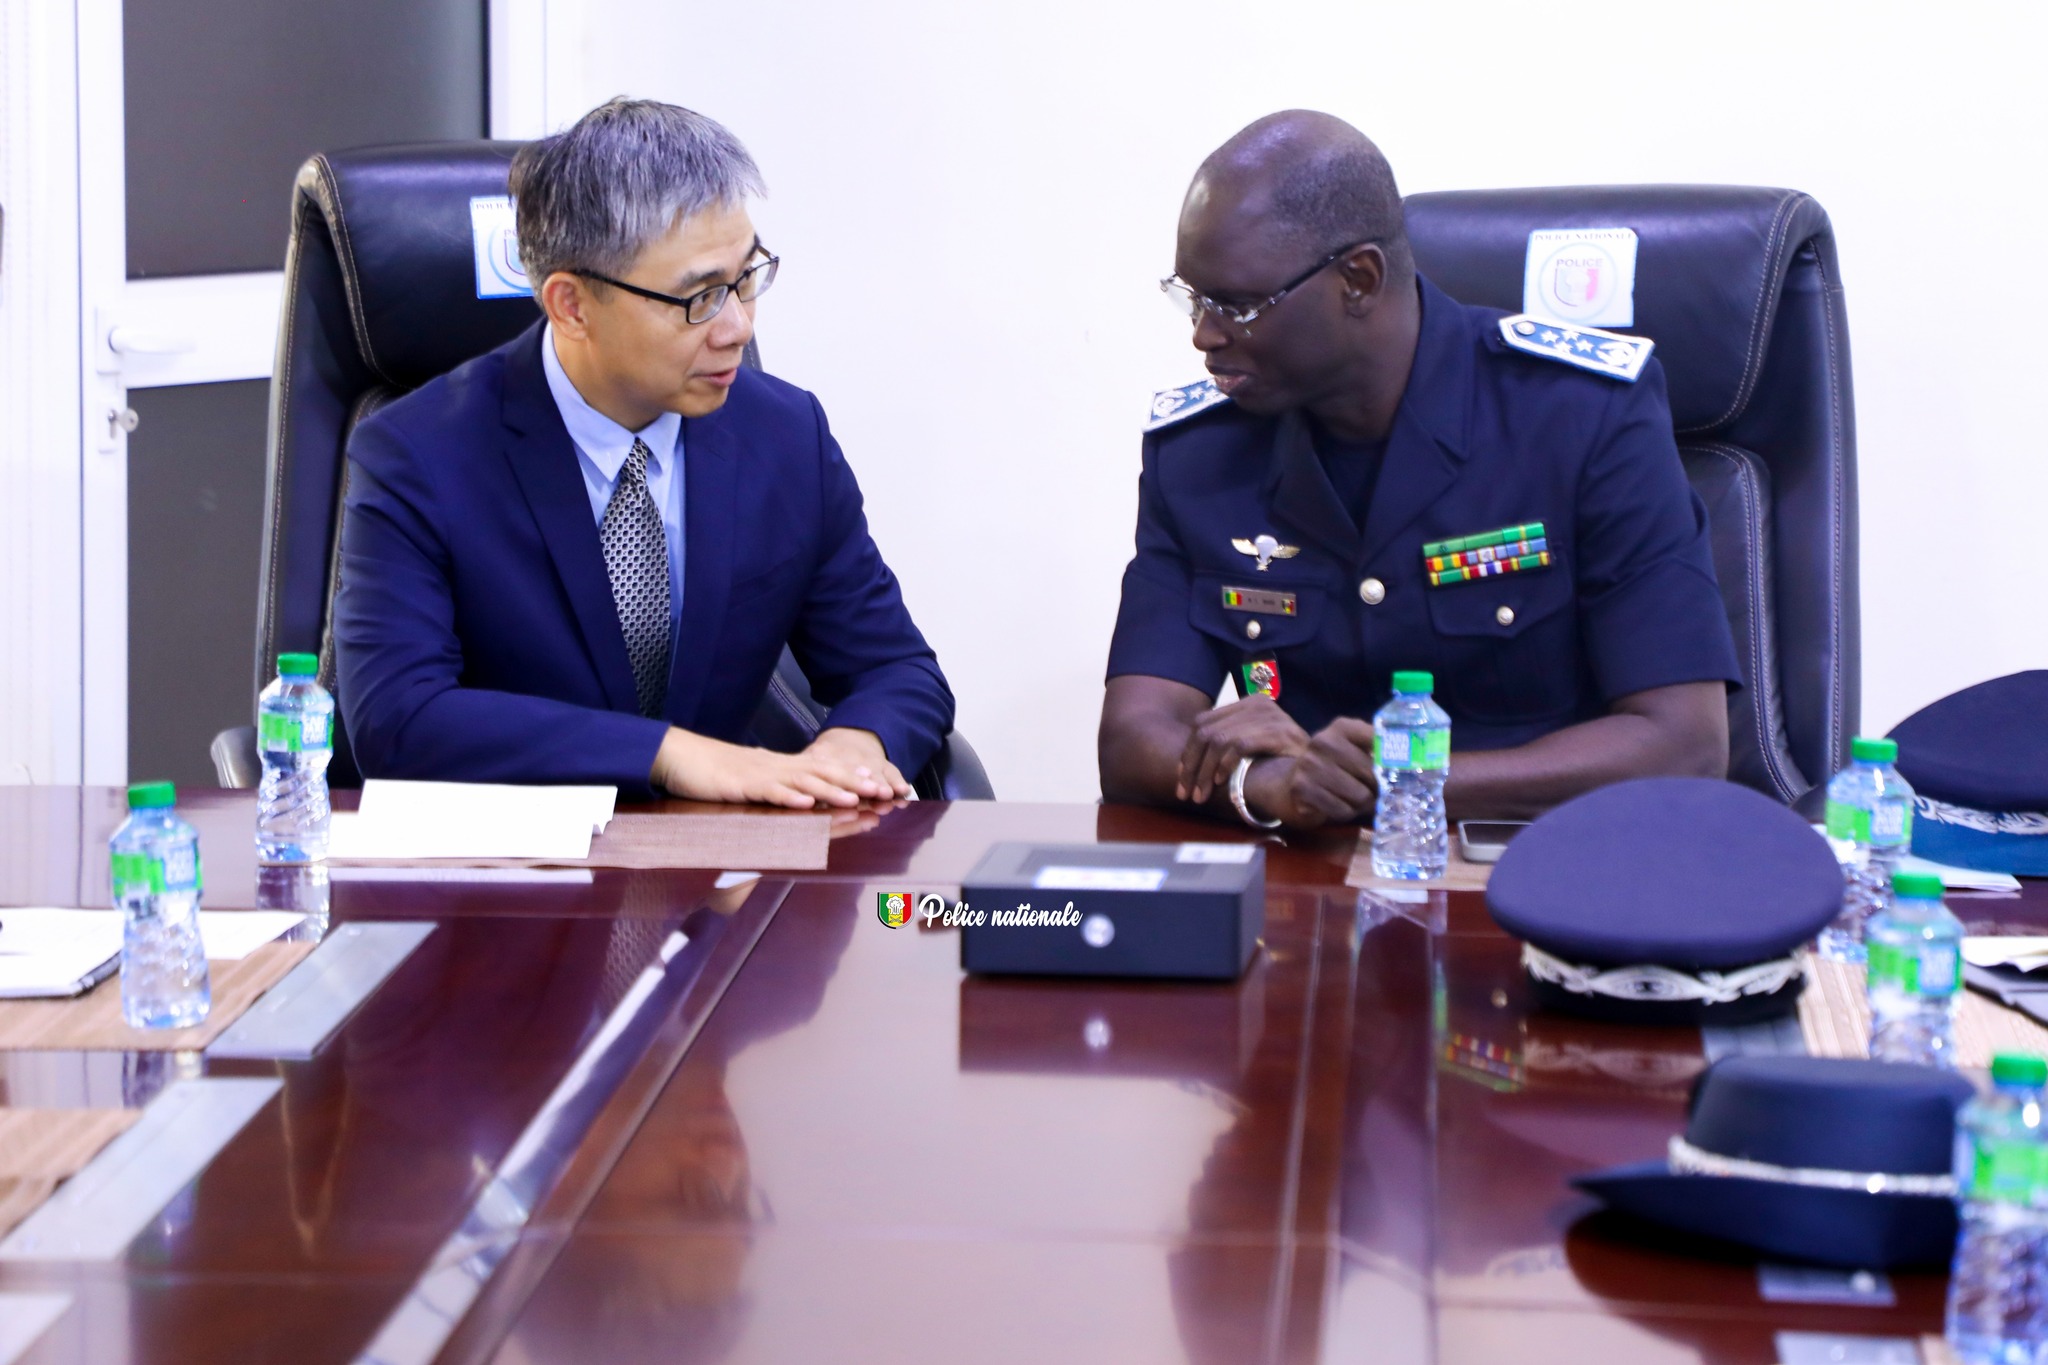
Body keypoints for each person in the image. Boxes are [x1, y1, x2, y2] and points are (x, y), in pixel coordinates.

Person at [1098, 111, 1741, 828]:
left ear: (1358, 280)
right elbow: (1132, 738)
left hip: (1545, 874)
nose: (1204, 335)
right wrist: (1267, 784)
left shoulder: (1581, 417)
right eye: (1193, 298)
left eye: (1239, 306)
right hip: (1309, 901)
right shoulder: (1199, 454)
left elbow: (1683, 742)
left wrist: (1401, 781)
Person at [335, 99, 952, 807]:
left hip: (721, 872)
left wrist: (857, 745)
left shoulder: (785, 435)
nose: (739, 327)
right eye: (700, 298)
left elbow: (896, 667)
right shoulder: (417, 455)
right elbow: (400, 720)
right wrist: (668, 754)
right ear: (570, 305)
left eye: (748, 278)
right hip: (519, 883)